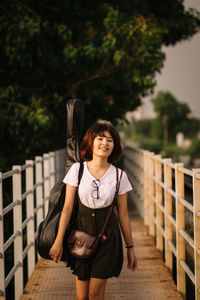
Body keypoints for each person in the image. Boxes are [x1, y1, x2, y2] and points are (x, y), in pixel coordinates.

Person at [49, 121, 137, 300]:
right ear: (91, 141)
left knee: (95, 295)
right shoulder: (78, 170)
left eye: (110, 140)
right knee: (82, 297)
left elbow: (123, 215)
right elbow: (67, 208)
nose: (105, 143)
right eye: (100, 138)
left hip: (107, 240)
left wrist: (130, 248)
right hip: (79, 239)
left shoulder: (120, 176)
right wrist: (58, 240)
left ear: (115, 145)